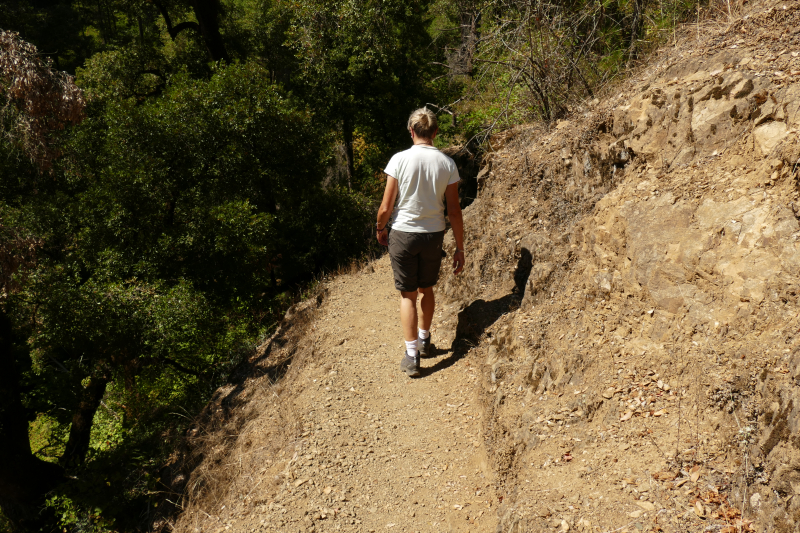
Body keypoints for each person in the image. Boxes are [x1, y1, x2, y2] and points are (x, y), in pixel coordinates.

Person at [375, 107, 465, 378]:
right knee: (427, 288)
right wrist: (459, 247)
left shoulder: (399, 160)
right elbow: (454, 210)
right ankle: (424, 340)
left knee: (408, 295)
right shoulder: (447, 164)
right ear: (436, 132)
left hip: (403, 233)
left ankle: (412, 355)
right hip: (433, 234)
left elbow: (386, 206)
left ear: (411, 131)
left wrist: (380, 228)